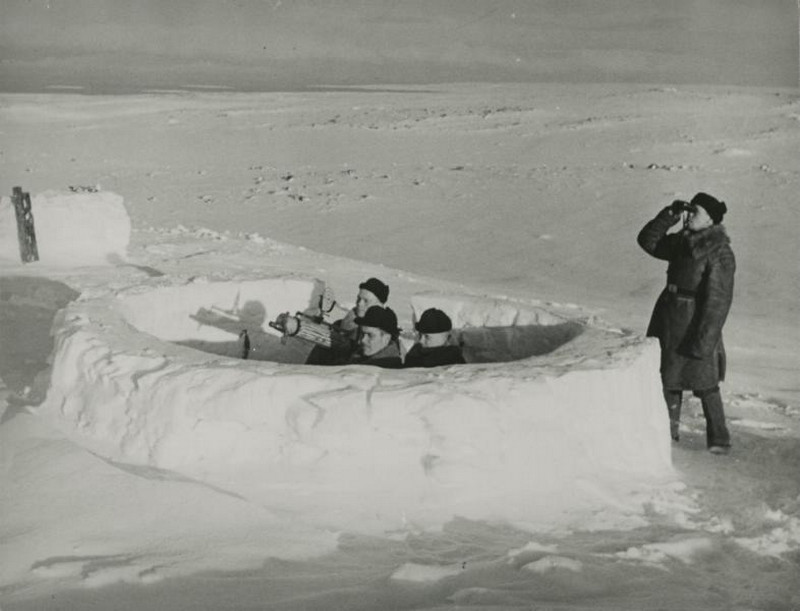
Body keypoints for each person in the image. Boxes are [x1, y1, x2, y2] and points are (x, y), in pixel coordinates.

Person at [637, 192, 736, 454]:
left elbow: (719, 301)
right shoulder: (682, 242)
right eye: (689, 211)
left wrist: (706, 339)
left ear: (710, 221)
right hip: (669, 319)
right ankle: (669, 434)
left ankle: (719, 439)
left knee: (705, 382)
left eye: (696, 213)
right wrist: (669, 214)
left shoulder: (719, 252)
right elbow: (648, 241)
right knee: (669, 378)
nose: (690, 216)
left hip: (695, 322)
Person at [305, 277, 391, 365]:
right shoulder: (342, 325)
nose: (359, 304)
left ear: (380, 305)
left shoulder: (384, 332)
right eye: (358, 299)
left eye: (366, 301)